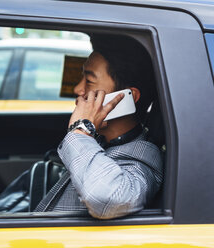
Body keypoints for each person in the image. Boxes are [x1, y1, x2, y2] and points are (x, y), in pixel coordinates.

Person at [34, 34, 163, 219]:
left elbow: (109, 199)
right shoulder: (102, 141)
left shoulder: (142, 159)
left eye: (89, 81)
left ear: (127, 97)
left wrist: (81, 129)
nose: (77, 89)